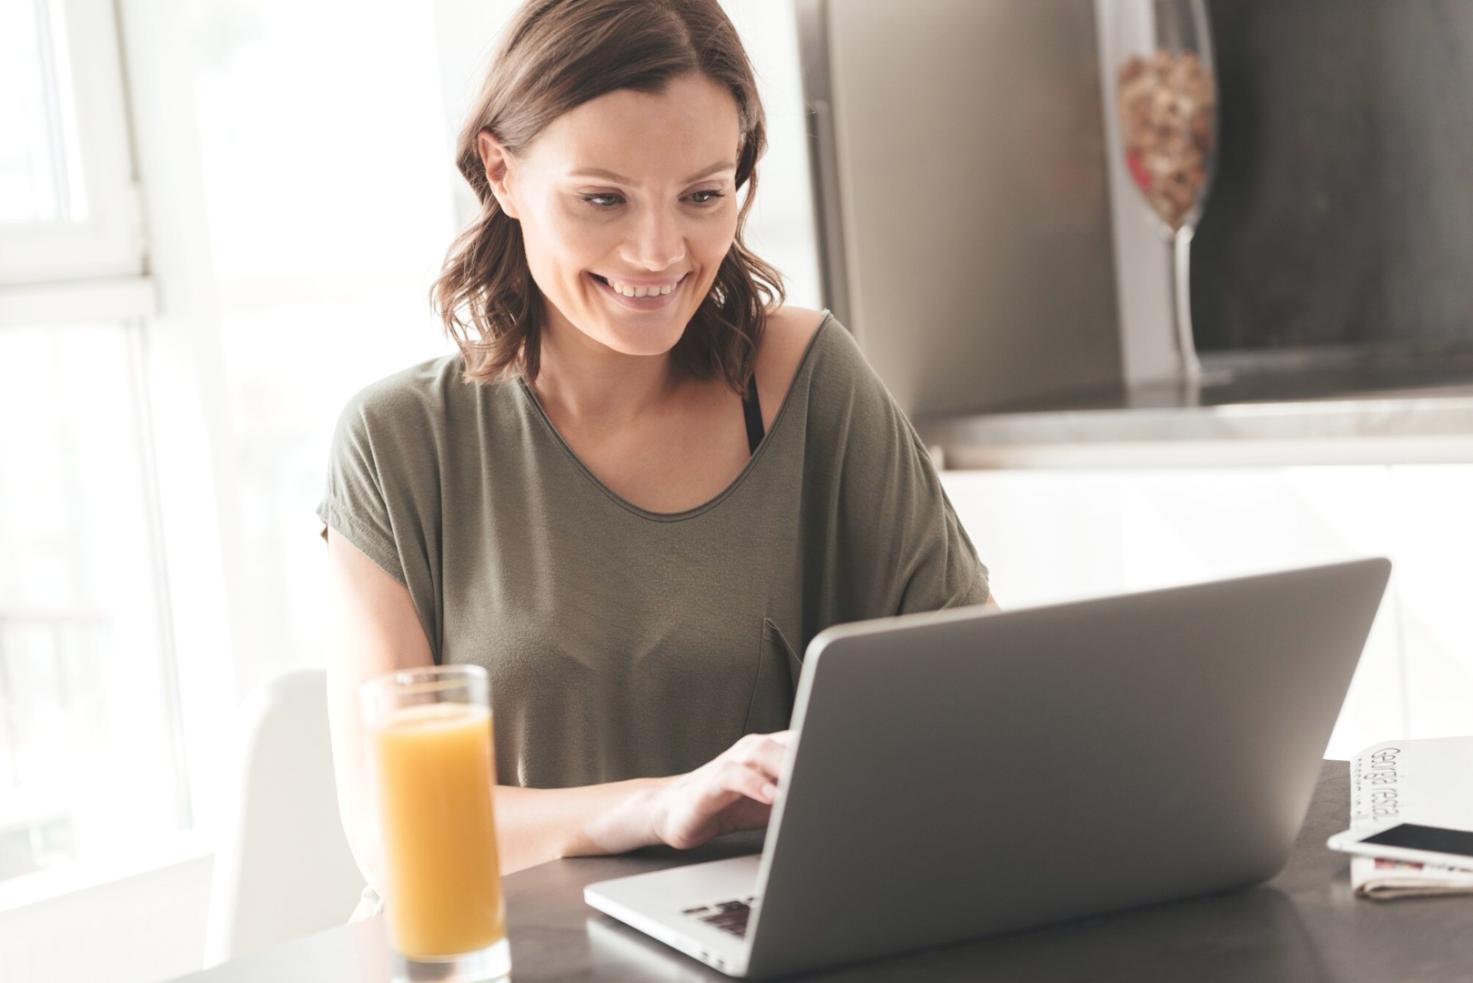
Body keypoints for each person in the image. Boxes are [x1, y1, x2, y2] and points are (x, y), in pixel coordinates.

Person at [318, 0, 994, 907]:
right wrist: (655, 806)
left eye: (702, 195)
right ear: (501, 170)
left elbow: (984, 701)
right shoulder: (398, 441)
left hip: (752, 941)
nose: (658, 251)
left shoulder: (803, 382)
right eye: (602, 198)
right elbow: (395, 834)